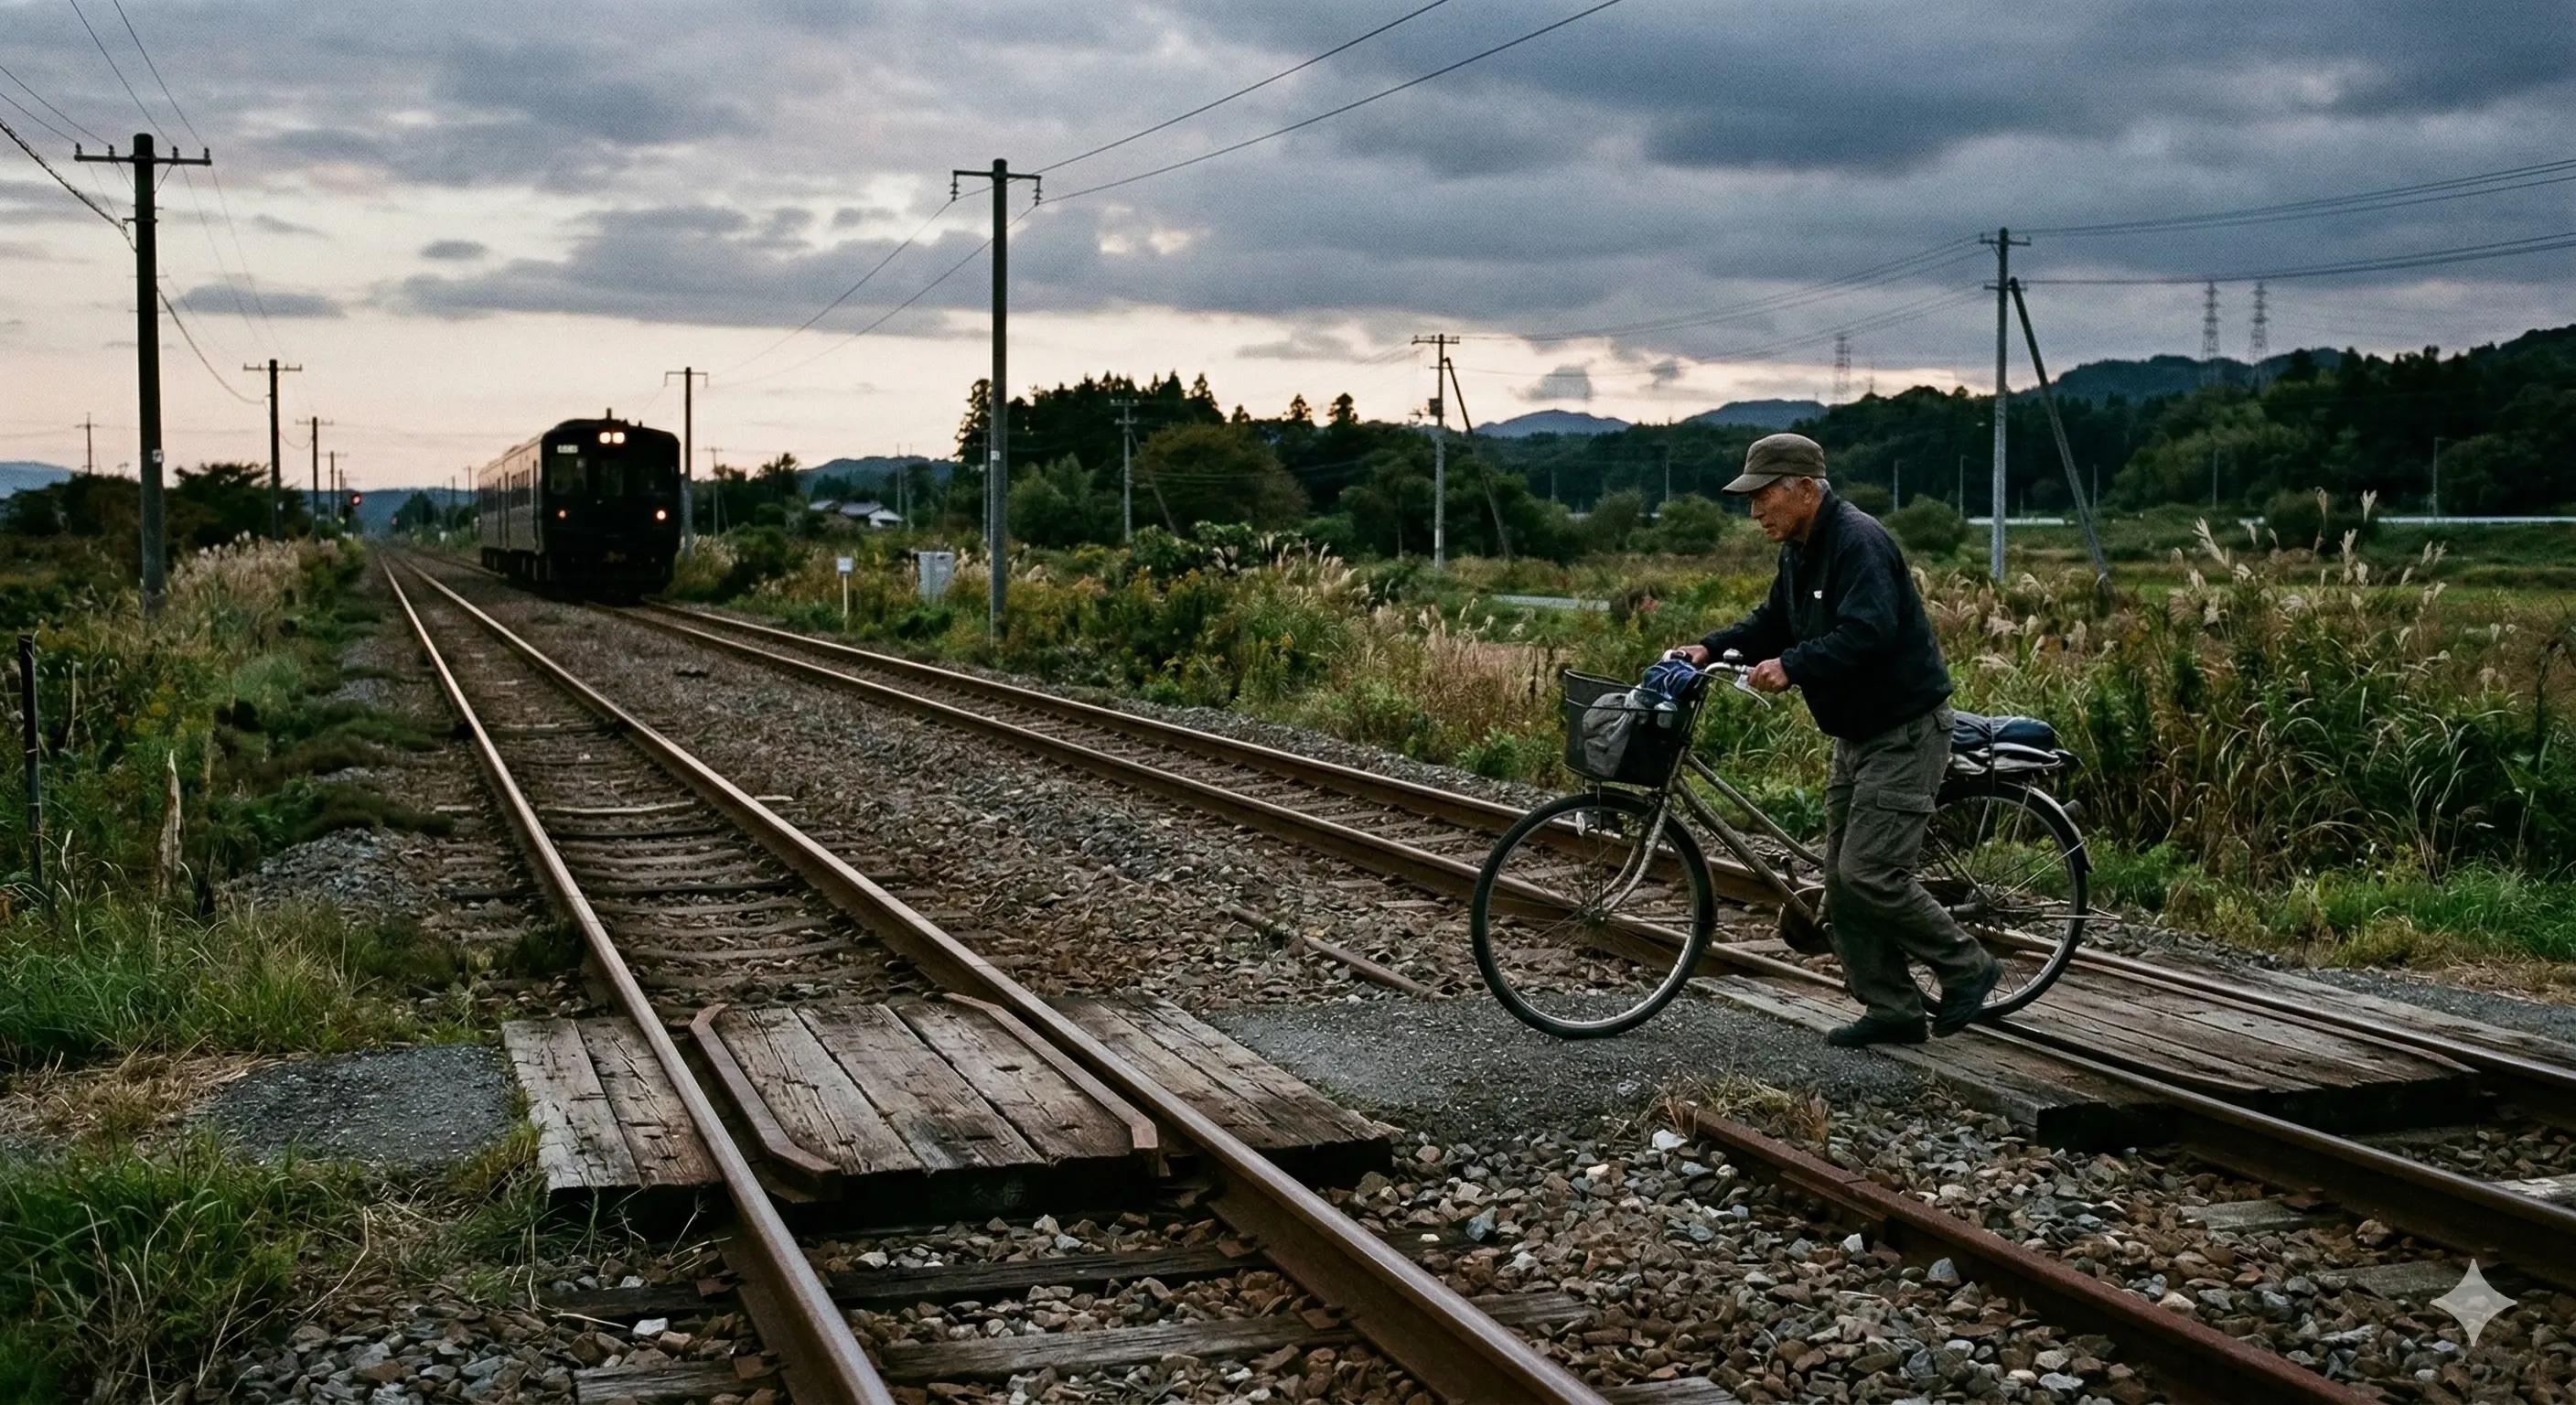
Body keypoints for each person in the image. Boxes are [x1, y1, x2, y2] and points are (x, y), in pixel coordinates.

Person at [1670, 433, 2000, 1047]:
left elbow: (1868, 632)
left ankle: (1969, 967)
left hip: (1903, 730)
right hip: (1856, 734)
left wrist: (1794, 666)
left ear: (1802, 487)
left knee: (1870, 874)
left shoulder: (1857, 542)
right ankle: (1894, 1009)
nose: (1754, 511)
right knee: (1841, 882)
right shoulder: (1798, 548)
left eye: (1762, 496)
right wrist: (1711, 647)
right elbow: (1772, 623)